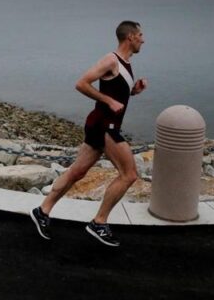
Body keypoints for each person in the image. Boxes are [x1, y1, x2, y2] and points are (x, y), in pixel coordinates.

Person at [30, 21, 147, 247]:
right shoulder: (111, 60)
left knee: (77, 172)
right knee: (129, 174)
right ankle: (99, 222)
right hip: (105, 126)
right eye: (140, 35)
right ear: (130, 36)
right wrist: (108, 100)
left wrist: (134, 91)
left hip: (100, 124)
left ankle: (42, 211)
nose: (143, 39)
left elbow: (117, 93)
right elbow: (82, 83)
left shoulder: (125, 64)